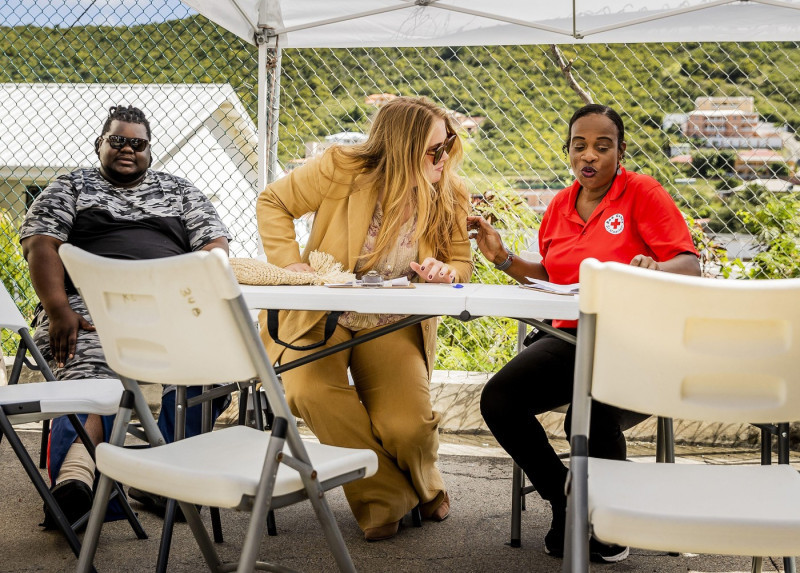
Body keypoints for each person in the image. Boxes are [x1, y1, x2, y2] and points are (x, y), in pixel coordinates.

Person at [468, 103, 700, 563]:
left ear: (620, 151)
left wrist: (655, 267)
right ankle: (568, 501)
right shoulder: (558, 204)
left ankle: (611, 525)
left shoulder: (643, 193)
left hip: (636, 343)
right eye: (579, 146)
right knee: (499, 400)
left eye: (602, 146)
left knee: (587, 415)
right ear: (568, 152)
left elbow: (689, 264)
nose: (589, 156)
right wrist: (503, 259)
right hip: (571, 341)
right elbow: (553, 277)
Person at [257, 96, 473, 541]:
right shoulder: (341, 167)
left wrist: (446, 272)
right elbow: (273, 201)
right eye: (435, 149)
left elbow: (460, 262)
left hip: (392, 320)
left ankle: (424, 479)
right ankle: (384, 497)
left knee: (406, 426)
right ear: (401, 148)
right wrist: (290, 263)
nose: (445, 155)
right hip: (325, 312)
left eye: (448, 143)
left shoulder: (450, 191)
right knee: (306, 389)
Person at [20, 105, 231, 527]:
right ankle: (76, 485)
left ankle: (165, 481)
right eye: (117, 140)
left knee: (213, 367)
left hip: (167, 311)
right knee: (93, 373)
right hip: (87, 312)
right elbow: (41, 244)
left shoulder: (180, 191)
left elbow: (214, 250)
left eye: (138, 143)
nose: (127, 149)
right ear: (100, 143)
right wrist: (59, 309)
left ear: (150, 151)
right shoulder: (71, 187)